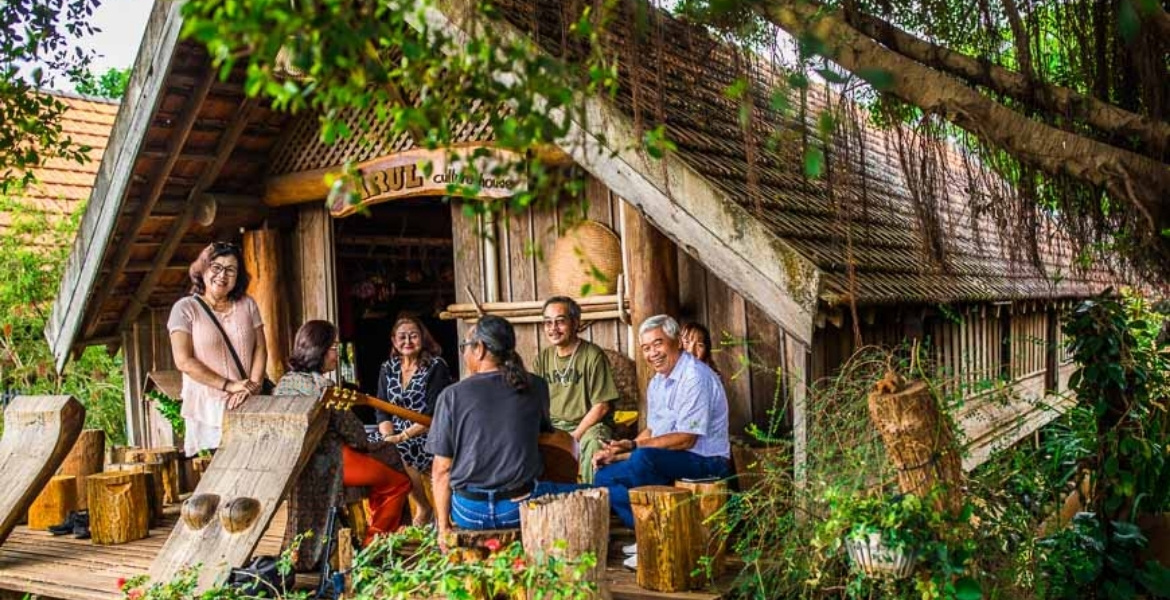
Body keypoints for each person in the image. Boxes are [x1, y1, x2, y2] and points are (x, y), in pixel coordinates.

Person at [593, 315, 732, 569]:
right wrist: (620, 449)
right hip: (675, 458)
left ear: (677, 342)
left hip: (708, 461)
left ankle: (660, 539)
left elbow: (687, 438)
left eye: (658, 344)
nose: (652, 353)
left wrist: (635, 449)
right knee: (604, 477)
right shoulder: (657, 382)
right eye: (646, 348)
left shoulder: (695, 377)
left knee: (643, 458)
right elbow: (654, 430)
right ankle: (648, 533)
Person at [426, 315, 575, 548]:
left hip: (468, 512)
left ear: (480, 349)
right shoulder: (535, 385)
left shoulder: (452, 395)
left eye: (466, 346)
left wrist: (443, 528)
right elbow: (544, 437)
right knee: (597, 490)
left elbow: (441, 469)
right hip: (519, 508)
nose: (464, 353)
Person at [274, 320, 412, 569]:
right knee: (398, 482)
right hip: (332, 463)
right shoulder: (323, 388)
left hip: (300, 466)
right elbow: (356, 434)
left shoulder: (284, 384)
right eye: (333, 347)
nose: (336, 353)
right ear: (318, 350)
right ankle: (374, 544)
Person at [168, 241, 267, 457]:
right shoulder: (185, 308)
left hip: (248, 401)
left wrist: (253, 386)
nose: (222, 275)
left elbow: (260, 347)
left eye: (231, 270)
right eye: (217, 267)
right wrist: (230, 386)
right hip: (209, 408)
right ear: (203, 269)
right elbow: (183, 361)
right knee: (219, 475)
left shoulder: (247, 304)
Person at [532, 297, 620, 483]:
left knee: (594, 444)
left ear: (576, 322)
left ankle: (592, 500)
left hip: (589, 426)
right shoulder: (543, 359)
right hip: (554, 426)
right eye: (548, 322)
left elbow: (602, 406)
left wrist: (574, 437)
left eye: (560, 321)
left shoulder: (592, 355)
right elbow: (535, 403)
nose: (553, 328)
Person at [375, 316, 453, 526]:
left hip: (428, 431)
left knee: (401, 450)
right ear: (393, 341)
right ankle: (386, 515)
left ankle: (424, 506)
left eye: (413, 336)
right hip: (395, 432)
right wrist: (388, 435)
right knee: (372, 447)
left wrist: (402, 436)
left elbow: (434, 413)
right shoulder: (388, 368)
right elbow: (382, 408)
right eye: (402, 337)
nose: (407, 341)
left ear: (423, 339)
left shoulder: (436, 366)